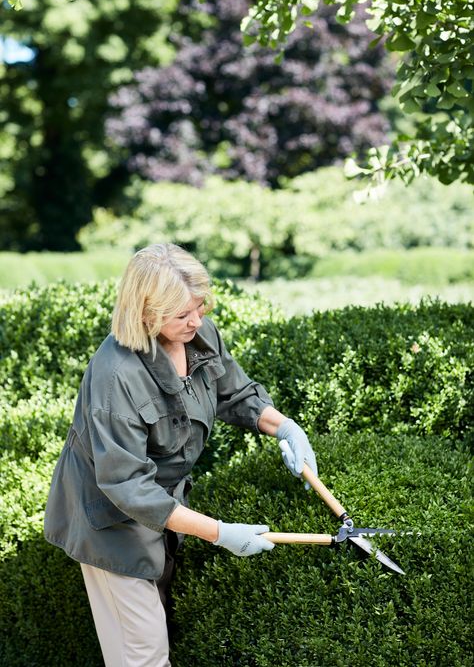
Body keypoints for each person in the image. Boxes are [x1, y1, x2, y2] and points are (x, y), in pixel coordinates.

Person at [44, 243, 318, 667]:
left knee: (157, 636)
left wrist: (285, 427)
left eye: (200, 307)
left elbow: (236, 393)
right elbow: (128, 486)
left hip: (163, 509)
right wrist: (220, 532)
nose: (197, 320)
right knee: (144, 655)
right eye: (182, 314)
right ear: (145, 313)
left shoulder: (197, 335)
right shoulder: (116, 377)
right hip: (111, 522)